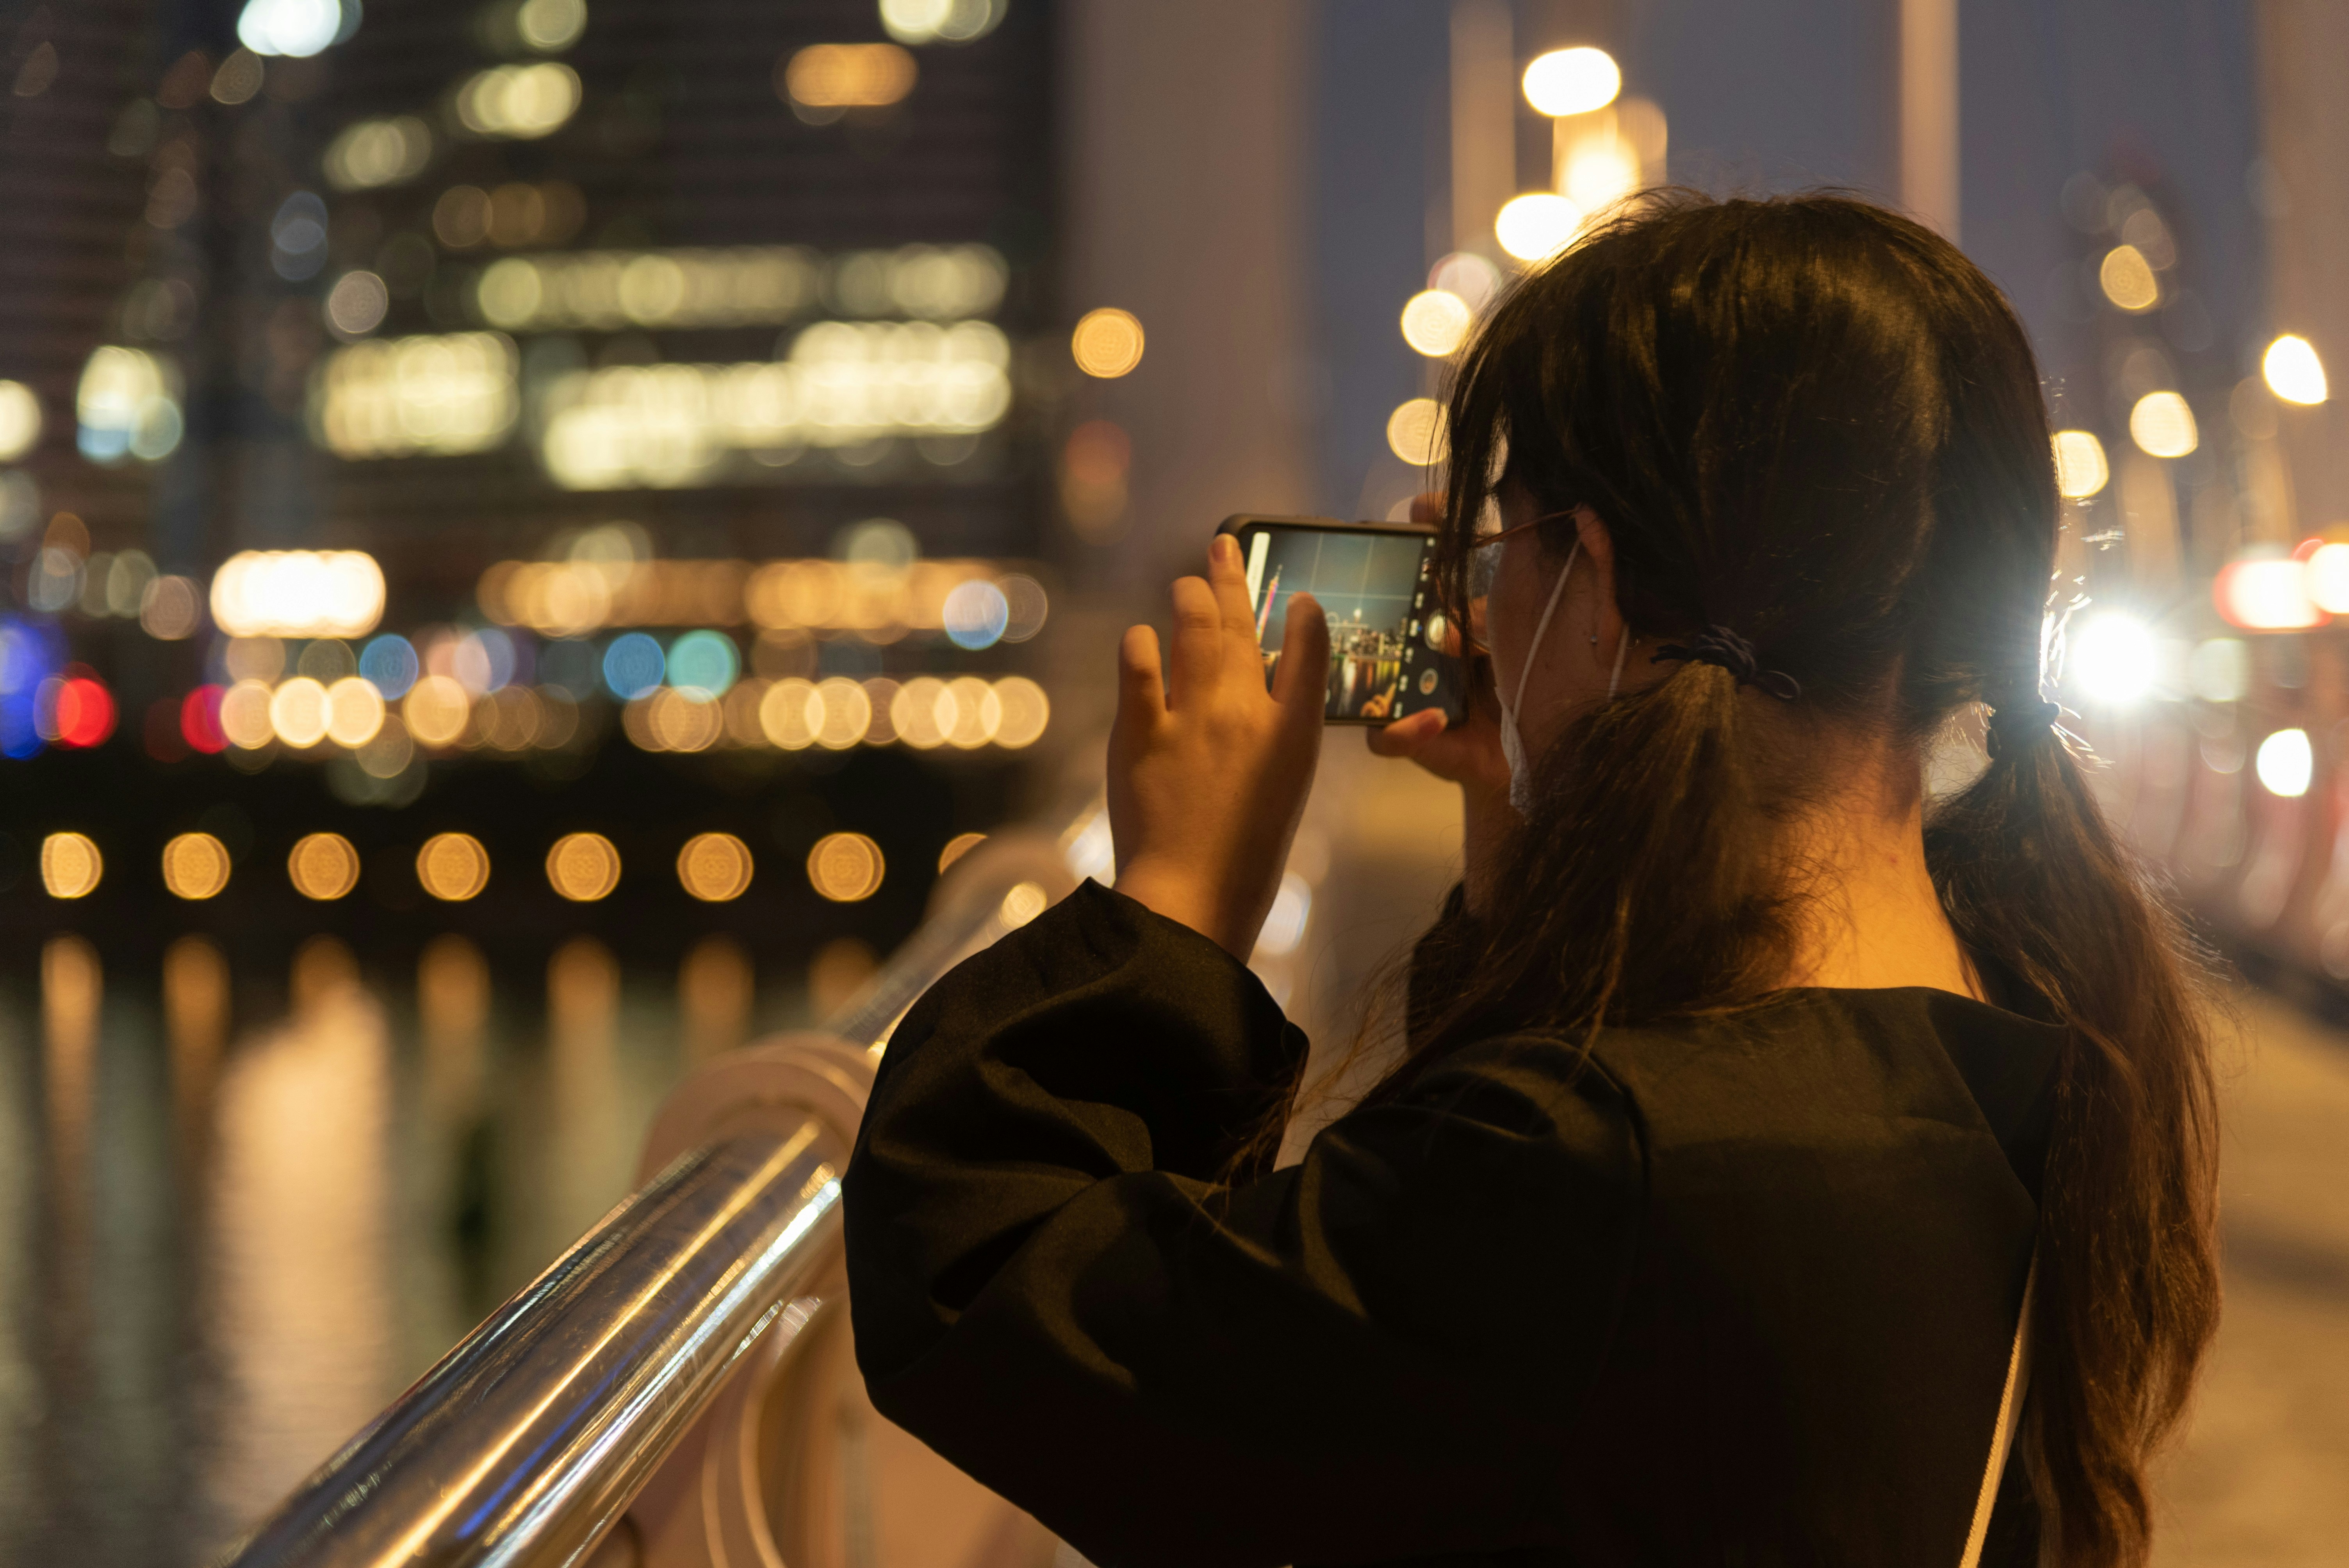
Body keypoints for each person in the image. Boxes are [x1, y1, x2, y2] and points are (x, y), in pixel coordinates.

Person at [842, 193, 2220, 1568]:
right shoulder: (2016, 1034)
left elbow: (982, 1270)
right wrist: (1525, 814)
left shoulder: (1587, 1163)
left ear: (1598, 581)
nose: (1480, 599)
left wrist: (1183, 898)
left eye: (1508, 550)